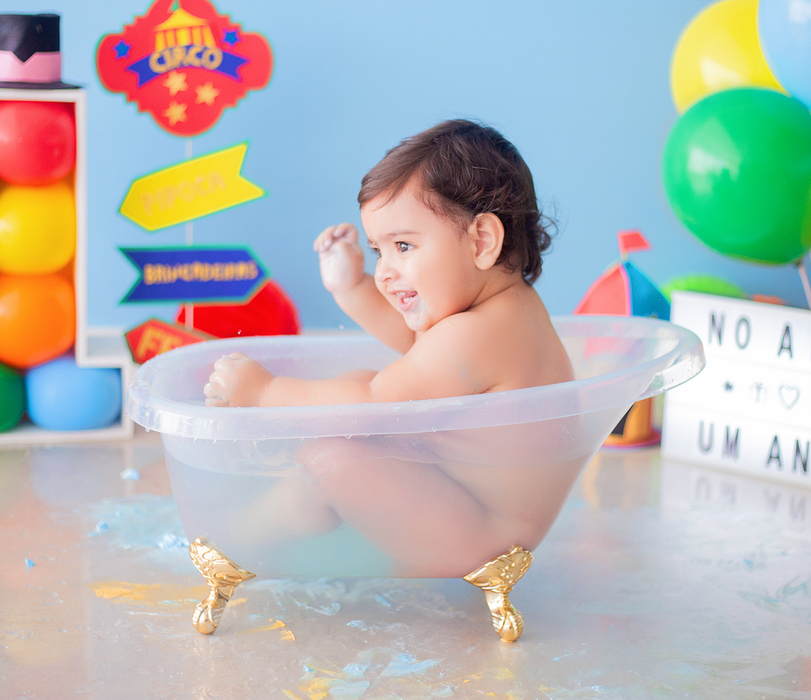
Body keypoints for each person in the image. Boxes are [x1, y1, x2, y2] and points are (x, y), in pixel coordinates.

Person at [203, 120, 578, 577]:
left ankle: (251, 532)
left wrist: (265, 392)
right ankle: (293, 508)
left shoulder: (477, 334)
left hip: (477, 536)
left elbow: (372, 406)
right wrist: (351, 287)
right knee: (360, 387)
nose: (385, 271)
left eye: (403, 245)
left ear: (482, 240)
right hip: (472, 508)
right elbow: (419, 345)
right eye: (379, 251)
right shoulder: (505, 312)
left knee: (336, 446)